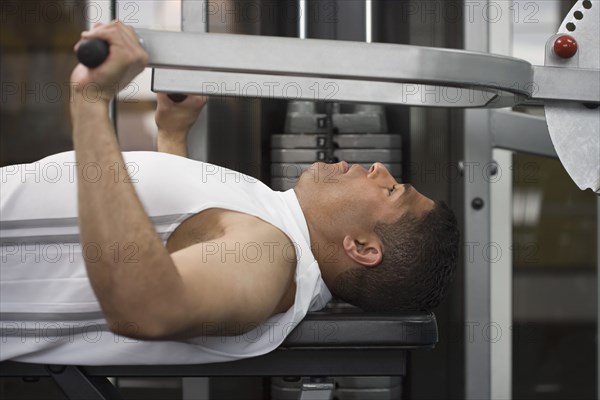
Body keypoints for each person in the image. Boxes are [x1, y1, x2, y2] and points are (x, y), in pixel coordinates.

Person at [0, 21, 458, 365]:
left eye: (392, 189)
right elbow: (181, 239)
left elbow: (146, 307)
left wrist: (92, 103)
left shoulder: (271, 258)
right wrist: (172, 135)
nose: (379, 169)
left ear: (361, 247)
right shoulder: (274, 230)